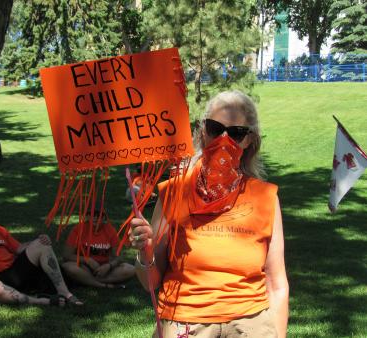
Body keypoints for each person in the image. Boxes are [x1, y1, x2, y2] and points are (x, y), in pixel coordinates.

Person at [129, 91, 289, 337]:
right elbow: (149, 282)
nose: (224, 139)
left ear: (248, 140)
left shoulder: (265, 197)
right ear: (203, 130)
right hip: (186, 320)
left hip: (250, 322)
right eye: (216, 128)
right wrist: (145, 251)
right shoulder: (173, 192)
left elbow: (277, 284)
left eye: (235, 133)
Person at [62, 209, 135, 288]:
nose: (95, 218)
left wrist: (108, 266)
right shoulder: (78, 229)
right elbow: (67, 255)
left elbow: (119, 257)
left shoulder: (110, 230)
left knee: (131, 269)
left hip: (104, 269)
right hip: (84, 267)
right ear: (87, 216)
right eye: (92, 215)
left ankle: (85, 280)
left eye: (99, 215)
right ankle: (102, 285)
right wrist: (87, 260)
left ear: (104, 218)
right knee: (68, 267)